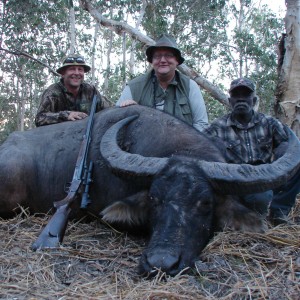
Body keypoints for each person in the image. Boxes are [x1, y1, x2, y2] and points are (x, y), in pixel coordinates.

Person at [204, 77, 300, 225]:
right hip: (234, 182)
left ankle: (279, 211)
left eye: (246, 95)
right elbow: (198, 150)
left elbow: (287, 147)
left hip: (264, 178)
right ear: (230, 101)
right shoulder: (217, 127)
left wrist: (282, 152)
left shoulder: (269, 123)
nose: (241, 99)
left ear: (254, 100)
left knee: (295, 160)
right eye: (236, 95)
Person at [115, 34, 208, 132]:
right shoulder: (134, 87)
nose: (163, 60)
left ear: (177, 61)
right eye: (157, 56)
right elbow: (115, 122)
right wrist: (126, 110)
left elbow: (201, 124)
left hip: (184, 145)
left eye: (168, 55)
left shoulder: (190, 86)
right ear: (152, 61)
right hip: (142, 146)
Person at [35, 54, 107, 127]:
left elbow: (107, 110)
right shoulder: (53, 92)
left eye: (80, 69)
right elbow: (39, 118)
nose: (76, 73)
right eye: (72, 69)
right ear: (63, 73)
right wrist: (66, 115)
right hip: (58, 135)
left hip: (86, 134)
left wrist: (118, 107)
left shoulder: (91, 90)